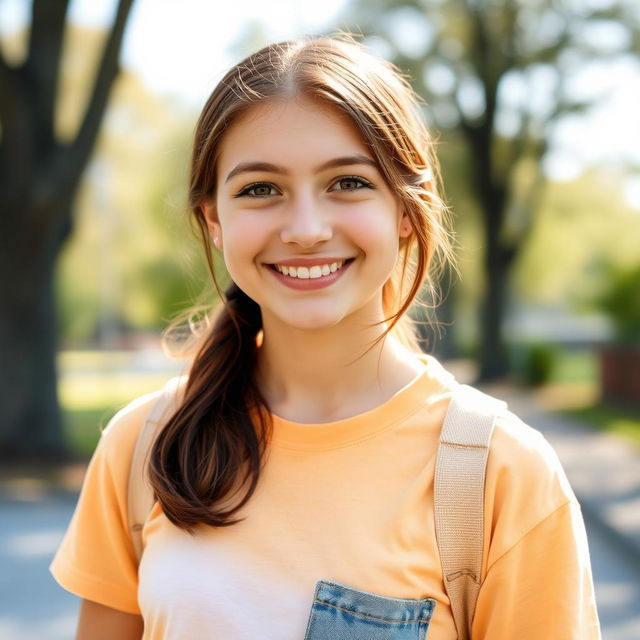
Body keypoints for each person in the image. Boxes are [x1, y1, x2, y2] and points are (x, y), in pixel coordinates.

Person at [50, 35, 601, 639]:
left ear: (405, 210)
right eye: (260, 189)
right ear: (214, 220)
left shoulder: (503, 473)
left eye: (348, 183)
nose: (306, 230)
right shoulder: (145, 445)